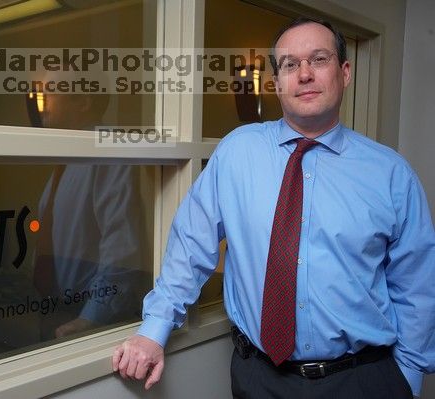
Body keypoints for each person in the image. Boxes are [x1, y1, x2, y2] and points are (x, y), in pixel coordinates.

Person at [112, 17, 435, 398]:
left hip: (361, 380)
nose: (304, 74)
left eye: (319, 59)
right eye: (289, 64)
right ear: (276, 81)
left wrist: (407, 379)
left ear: (344, 72)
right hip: (259, 379)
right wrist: (154, 330)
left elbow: (416, 287)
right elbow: (190, 246)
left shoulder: (391, 174)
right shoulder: (237, 152)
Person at [29, 84, 149, 341]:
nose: (42, 99)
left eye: (50, 90)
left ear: (83, 101)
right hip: (55, 308)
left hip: (88, 318)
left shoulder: (106, 147)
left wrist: (91, 317)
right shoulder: (71, 155)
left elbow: (121, 245)